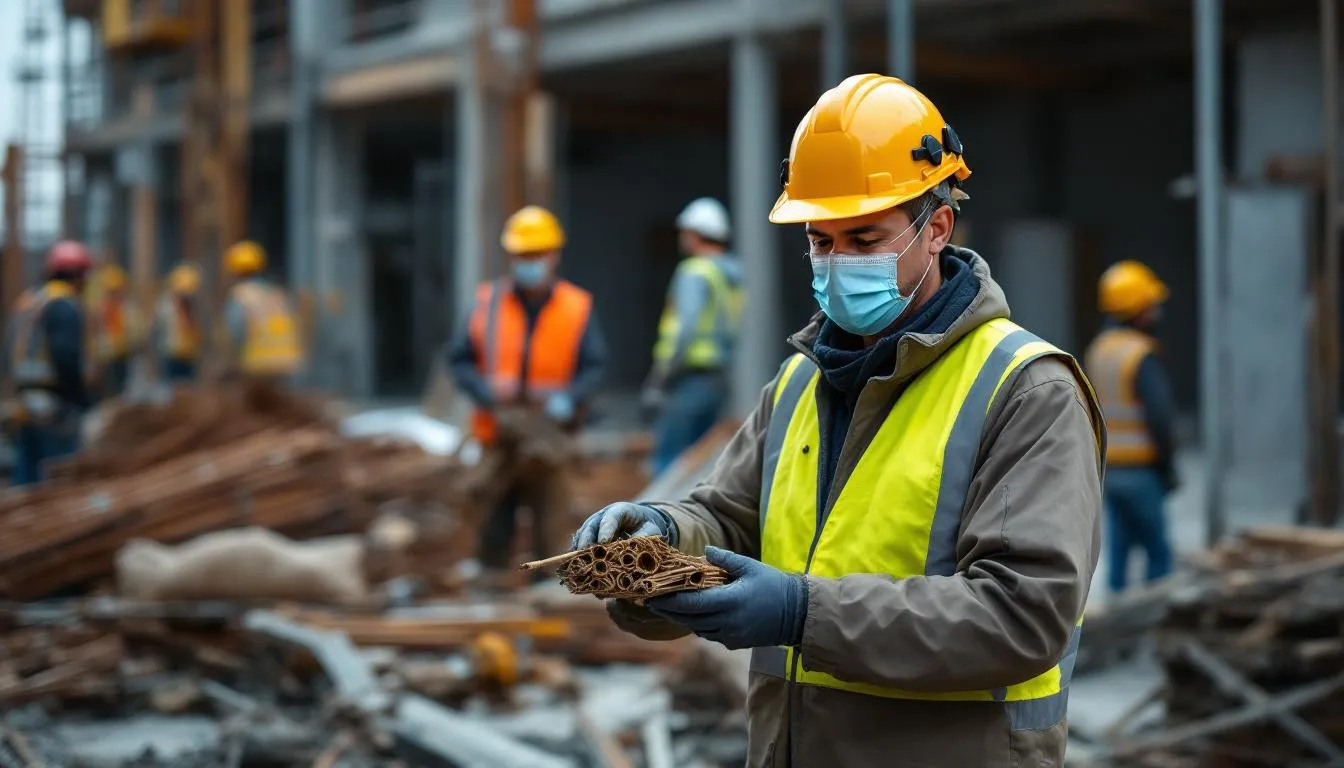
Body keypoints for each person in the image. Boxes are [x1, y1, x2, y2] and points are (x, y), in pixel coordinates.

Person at [570, 74, 1106, 766]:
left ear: (937, 226)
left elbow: (1022, 616)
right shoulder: (801, 380)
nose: (836, 263)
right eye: (820, 241)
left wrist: (802, 613)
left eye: (864, 237)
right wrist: (662, 537)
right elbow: (728, 516)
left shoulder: (1025, 389)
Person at [448, 205, 608, 571]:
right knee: (492, 523)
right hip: (498, 435)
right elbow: (459, 359)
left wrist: (570, 399)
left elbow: (594, 366)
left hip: (550, 437)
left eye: (536, 255)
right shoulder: (487, 304)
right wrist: (485, 394)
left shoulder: (576, 307)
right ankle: (492, 592)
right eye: (522, 256)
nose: (529, 262)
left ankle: (545, 595)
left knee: (551, 530)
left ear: (553, 256)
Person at [1084, 260, 1176, 593]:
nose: (1156, 311)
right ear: (1139, 309)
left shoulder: (1098, 350)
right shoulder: (1141, 354)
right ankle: (1158, 627)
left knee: (1119, 554)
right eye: (1151, 305)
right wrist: (1168, 466)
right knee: (1158, 555)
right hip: (1141, 469)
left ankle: (1118, 633)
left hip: (1110, 470)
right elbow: (1160, 418)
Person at [643, 197, 745, 476]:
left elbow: (685, 329)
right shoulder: (730, 274)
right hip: (716, 378)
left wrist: (661, 376)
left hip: (687, 377)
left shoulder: (695, 272)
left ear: (695, 235)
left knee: (669, 462)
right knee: (700, 462)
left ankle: (661, 519)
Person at [7, 240, 94, 485]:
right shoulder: (64, 304)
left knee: (26, 481)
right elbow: (65, 356)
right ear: (77, 274)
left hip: (25, 403)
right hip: (56, 407)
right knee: (60, 479)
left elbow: (9, 351)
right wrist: (81, 399)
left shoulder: (29, 301)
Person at [221, 240, 304, 383]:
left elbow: (236, 332)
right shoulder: (276, 293)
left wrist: (231, 361)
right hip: (288, 362)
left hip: (257, 365)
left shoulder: (241, 295)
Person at [91, 263, 142, 398]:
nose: (114, 294)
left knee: (121, 389)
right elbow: (94, 334)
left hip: (122, 355)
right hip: (105, 358)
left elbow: (135, 332)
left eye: (117, 290)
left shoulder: (126, 309)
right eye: (111, 291)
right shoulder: (99, 309)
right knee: (107, 390)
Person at [156, 263, 202, 383]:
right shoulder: (165, 307)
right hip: (171, 357)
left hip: (189, 356)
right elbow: (158, 332)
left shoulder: (192, 306)